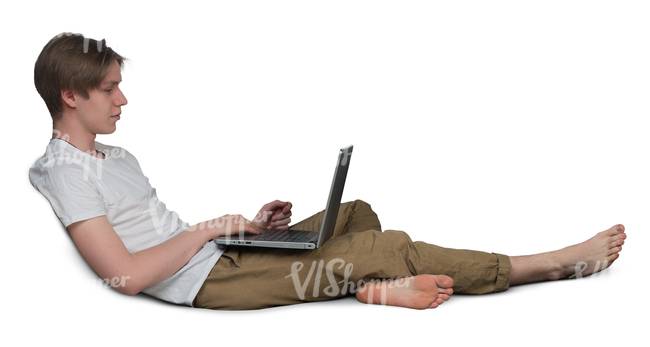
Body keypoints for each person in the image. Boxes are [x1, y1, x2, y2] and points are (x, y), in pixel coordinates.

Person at [30, 33, 627, 310]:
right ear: (71, 95)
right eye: (110, 89)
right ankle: (547, 263)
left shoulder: (114, 156)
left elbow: (156, 228)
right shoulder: (63, 172)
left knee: (355, 212)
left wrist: (250, 228)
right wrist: (212, 231)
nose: (123, 101)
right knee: (382, 242)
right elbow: (128, 277)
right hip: (206, 284)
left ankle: (373, 287)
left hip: (218, 255)